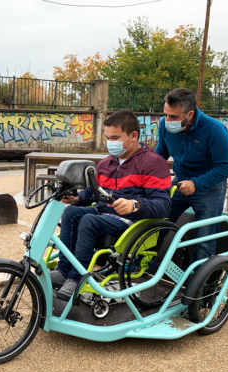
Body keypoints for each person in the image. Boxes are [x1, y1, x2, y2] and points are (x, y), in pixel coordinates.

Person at [51, 109, 172, 301]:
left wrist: (135, 205)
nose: (110, 143)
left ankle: (76, 279)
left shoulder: (153, 162)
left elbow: (164, 205)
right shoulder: (106, 163)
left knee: (89, 220)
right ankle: (64, 271)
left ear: (133, 136)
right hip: (104, 215)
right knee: (72, 212)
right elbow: (94, 192)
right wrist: (77, 199)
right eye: (107, 138)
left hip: (132, 222)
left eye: (115, 137)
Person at [155, 88, 228, 263]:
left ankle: (201, 282)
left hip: (209, 185)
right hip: (180, 181)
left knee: (205, 237)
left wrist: (196, 184)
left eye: (173, 117)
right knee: (158, 222)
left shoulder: (214, 130)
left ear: (189, 114)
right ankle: (152, 264)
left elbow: (227, 166)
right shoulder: (164, 125)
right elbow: (161, 153)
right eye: (166, 115)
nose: (167, 121)